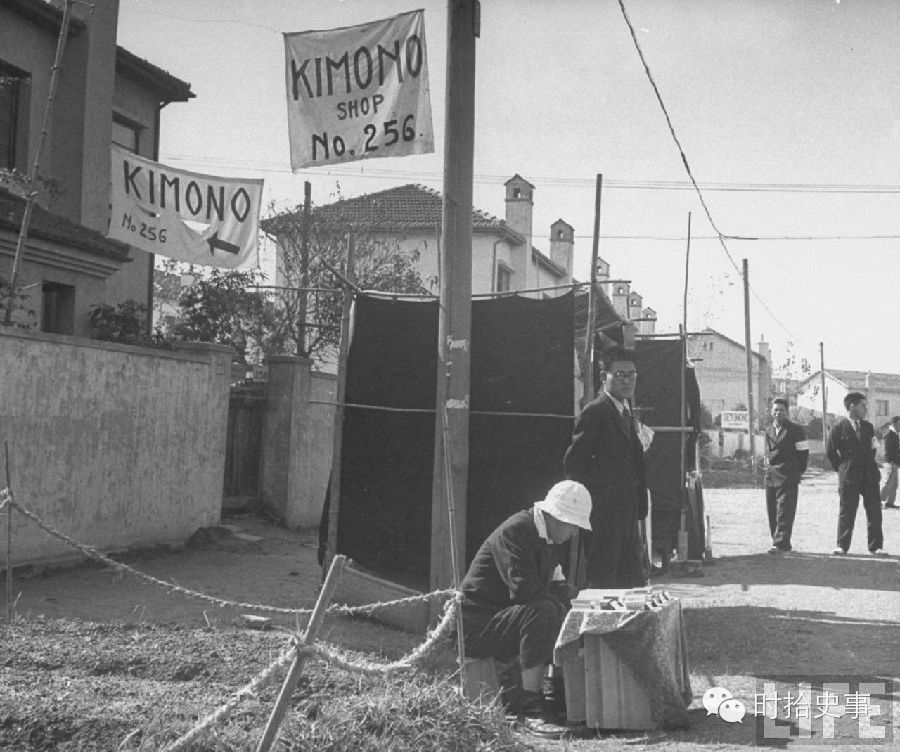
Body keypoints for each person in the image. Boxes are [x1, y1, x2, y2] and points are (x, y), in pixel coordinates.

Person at [460, 480, 591, 731]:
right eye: (573, 526)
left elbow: (558, 585)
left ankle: (553, 693)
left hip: (502, 618)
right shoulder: (517, 531)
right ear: (557, 518)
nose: (574, 533)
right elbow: (523, 590)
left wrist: (579, 600)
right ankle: (529, 707)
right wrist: (559, 600)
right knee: (542, 611)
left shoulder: (545, 538)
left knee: (561, 608)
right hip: (476, 627)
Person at [563, 345, 648, 588]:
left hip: (627, 512)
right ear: (604, 377)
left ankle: (626, 627)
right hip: (603, 515)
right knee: (603, 579)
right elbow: (574, 464)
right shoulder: (595, 411)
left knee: (631, 579)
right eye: (620, 375)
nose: (627, 381)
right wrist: (594, 503)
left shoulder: (624, 410)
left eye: (632, 375)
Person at [826, 392, 885, 555]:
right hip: (849, 477)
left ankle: (876, 546)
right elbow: (831, 452)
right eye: (863, 405)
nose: (865, 408)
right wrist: (843, 469)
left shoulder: (868, 427)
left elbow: (873, 449)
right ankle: (842, 546)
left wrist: (868, 464)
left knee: (874, 511)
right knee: (847, 510)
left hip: (869, 476)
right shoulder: (838, 428)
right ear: (852, 406)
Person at [763, 398, 809, 553]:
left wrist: (797, 472)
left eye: (781, 410)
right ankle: (779, 541)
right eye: (775, 410)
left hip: (788, 475)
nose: (778, 413)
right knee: (772, 510)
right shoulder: (768, 430)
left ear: (787, 412)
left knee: (785, 510)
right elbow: (768, 453)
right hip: (771, 476)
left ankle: (781, 543)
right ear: (771, 412)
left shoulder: (796, 430)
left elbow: (803, 453)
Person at [880, 416, 900, 509]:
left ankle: (890, 503)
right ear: (894, 424)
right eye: (899, 424)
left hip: (895, 462)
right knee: (888, 483)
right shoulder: (890, 434)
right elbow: (889, 450)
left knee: (894, 484)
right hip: (891, 462)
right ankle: (878, 501)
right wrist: (891, 461)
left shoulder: (896, 434)